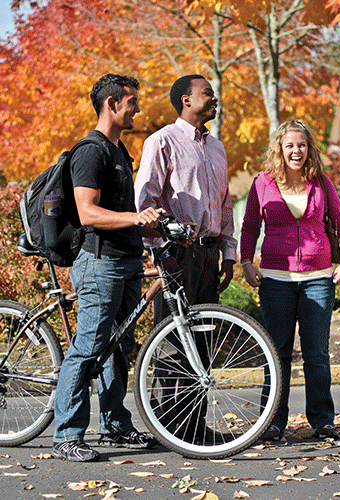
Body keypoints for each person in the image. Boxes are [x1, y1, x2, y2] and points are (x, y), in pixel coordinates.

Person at [52, 74, 162, 462]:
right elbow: (87, 212)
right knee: (89, 348)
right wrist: (135, 219)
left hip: (127, 261)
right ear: (112, 104)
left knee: (118, 348)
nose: (137, 108)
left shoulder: (120, 152)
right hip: (100, 262)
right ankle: (67, 434)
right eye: (132, 101)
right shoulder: (91, 151)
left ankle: (115, 425)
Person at [134, 74, 237, 438]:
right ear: (185, 100)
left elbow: (225, 204)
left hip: (209, 256)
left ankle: (195, 427)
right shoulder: (161, 141)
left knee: (202, 340)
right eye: (207, 93)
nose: (214, 98)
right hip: (178, 252)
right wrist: (159, 253)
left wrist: (229, 253)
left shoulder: (217, 148)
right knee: (173, 342)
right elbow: (144, 201)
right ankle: (169, 427)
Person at [240, 120, 340, 441]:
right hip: (276, 279)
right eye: (289, 145)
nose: (296, 151)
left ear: (309, 149)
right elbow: (249, 226)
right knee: (277, 353)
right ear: (279, 148)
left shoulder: (321, 182)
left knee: (317, 352)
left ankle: (323, 420)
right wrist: (247, 262)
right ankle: (273, 421)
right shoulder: (262, 183)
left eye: (301, 145)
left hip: (318, 278)